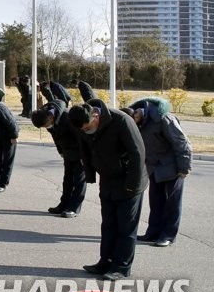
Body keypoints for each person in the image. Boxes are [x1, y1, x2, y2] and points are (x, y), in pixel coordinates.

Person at [69, 99, 147, 280]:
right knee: (108, 223)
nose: (85, 131)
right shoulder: (82, 124)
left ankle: (121, 267)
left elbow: (138, 152)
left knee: (125, 227)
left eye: (87, 128)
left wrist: (132, 185)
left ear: (96, 116)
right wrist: (90, 174)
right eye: (82, 130)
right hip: (108, 178)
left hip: (129, 179)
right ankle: (106, 261)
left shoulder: (121, 121)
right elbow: (84, 149)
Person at [124, 97, 191, 248]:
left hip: (173, 167)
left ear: (138, 114)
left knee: (172, 203)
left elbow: (181, 142)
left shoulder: (164, 118)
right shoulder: (138, 121)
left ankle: (168, 235)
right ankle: (153, 232)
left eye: (133, 120)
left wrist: (184, 168)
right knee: (156, 202)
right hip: (154, 168)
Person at [30, 99, 86, 218]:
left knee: (79, 181)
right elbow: (55, 137)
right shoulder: (47, 118)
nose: (47, 127)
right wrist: (61, 151)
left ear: (50, 117)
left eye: (46, 125)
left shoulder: (67, 117)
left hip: (80, 153)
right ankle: (64, 204)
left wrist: (84, 155)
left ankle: (74, 207)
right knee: (67, 180)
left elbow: (82, 137)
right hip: (68, 152)